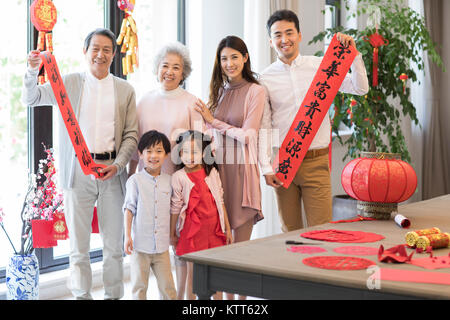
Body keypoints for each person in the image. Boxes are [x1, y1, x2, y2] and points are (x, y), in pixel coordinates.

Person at [22, 28, 138, 299]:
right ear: (85, 52)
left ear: (113, 54)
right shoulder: (70, 83)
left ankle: (113, 295)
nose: (100, 54)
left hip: (112, 173)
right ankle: (81, 295)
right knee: (78, 247)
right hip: (78, 174)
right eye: (95, 48)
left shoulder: (125, 90)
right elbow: (31, 99)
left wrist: (119, 165)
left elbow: (131, 135)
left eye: (106, 49)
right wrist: (31, 71)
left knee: (113, 247)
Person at [258, 10, 369, 232]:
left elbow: (360, 88)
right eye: (277, 35)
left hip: (315, 162)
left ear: (299, 35)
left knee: (323, 231)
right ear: (270, 41)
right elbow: (264, 126)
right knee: (289, 232)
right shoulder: (264, 78)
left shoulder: (321, 66)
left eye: (289, 33)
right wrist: (266, 167)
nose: (284, 40)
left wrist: (354, 55)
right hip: (284, 162)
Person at [128, 42, 205, 300]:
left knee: (180, 242)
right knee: (151, 239)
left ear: (184, 73)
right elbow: (136, 143)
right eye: (165, 66)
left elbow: (199, 146)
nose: (169, 72)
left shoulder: (192, 103)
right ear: (156, 68)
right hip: (148, 183)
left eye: (176, 67)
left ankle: (185, 296)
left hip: (181, 183)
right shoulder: (144, 101)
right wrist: (131, 173)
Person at [195, 35, 265, 300]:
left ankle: (241, 301)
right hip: (218, 172)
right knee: (221, 241)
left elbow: (248, 135)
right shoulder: (220, 91)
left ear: (245, 58)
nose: (229, 63)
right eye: (224, 58)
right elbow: (208, 131)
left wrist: (213, 121)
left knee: (240, 246)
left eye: (235, 57)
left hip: (241, 172)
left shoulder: (256, 91)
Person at [170, 130, 233, 300]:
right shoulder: (178, 177)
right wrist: (172, 234)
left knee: (215, 275)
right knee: (193, 276)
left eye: (195, 152)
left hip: (214, 230)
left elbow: (220, 201)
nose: (190, 157)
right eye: (185, 152)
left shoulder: (212, 173)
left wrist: (227, 229)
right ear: (180, 153)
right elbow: (175, 208)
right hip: (192, 233)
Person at [123, 130, 177, 300]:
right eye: (149, 151)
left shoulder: (170, 181)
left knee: (168, 289)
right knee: (139, 288)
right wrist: (127, 236)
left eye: (159, 151)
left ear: (167, 154)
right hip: (140, 246)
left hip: (162, 247)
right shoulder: (135, 181)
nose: (154, 156)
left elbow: (175, 208)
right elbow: (128, 209)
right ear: (140, 154)